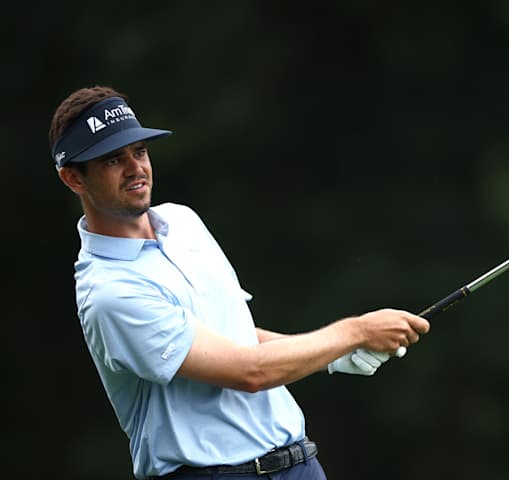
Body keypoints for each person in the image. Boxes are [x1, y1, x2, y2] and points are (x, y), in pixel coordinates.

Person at [50, 85, 430, 480]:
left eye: (140, 151)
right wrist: (354, 331)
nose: (136, 168)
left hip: (299, 464)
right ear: (74, 178)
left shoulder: (183, 222)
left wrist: (332, 354)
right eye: (114, 159)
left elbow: (234, 335)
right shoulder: (110, 293)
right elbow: (248, 371)